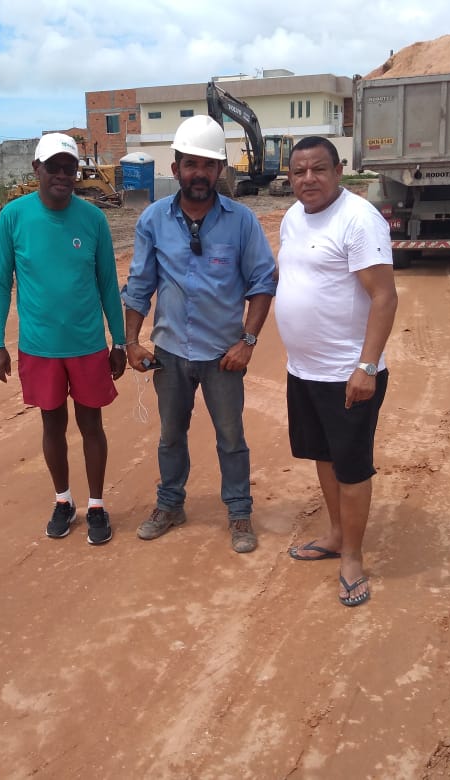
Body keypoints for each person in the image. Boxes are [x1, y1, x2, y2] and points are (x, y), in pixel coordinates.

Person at [121, 115, 277, 553]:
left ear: (220, 170)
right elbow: (139, 286)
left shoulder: (241, 222)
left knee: (231, 437)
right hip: (170, 354)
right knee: (171, 435)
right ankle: (170, 505)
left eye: (209, 165)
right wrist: (131, 342)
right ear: (175, 169)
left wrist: (247, 342)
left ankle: (240, 513)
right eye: (191, 164)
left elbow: (263, 283)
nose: (200, 174)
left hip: (223, 356)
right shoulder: (153, 220)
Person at [274, 136, 398, 606]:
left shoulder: (358, 219)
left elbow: (385, 297)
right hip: (303, 370)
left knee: (350, 466)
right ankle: (333, 534)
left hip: (348, 374)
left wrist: (366, 366)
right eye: (299, 171)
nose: (308, 179)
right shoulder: (291, 217)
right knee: (323, 457)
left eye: (318, 169)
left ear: (339, 170)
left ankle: (353, 557)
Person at [0, 132, 127, 545]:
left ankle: (97, 505)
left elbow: (106, 283)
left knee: (92, 425)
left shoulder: (93, 219)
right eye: (55, 168)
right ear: (37, 170)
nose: (64, 176)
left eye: (71, 168)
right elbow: (1, 283)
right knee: (52, 425)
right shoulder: (13, 217)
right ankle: (64, 500)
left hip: (87, 346)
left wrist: (118, 341)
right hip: (39, 347)